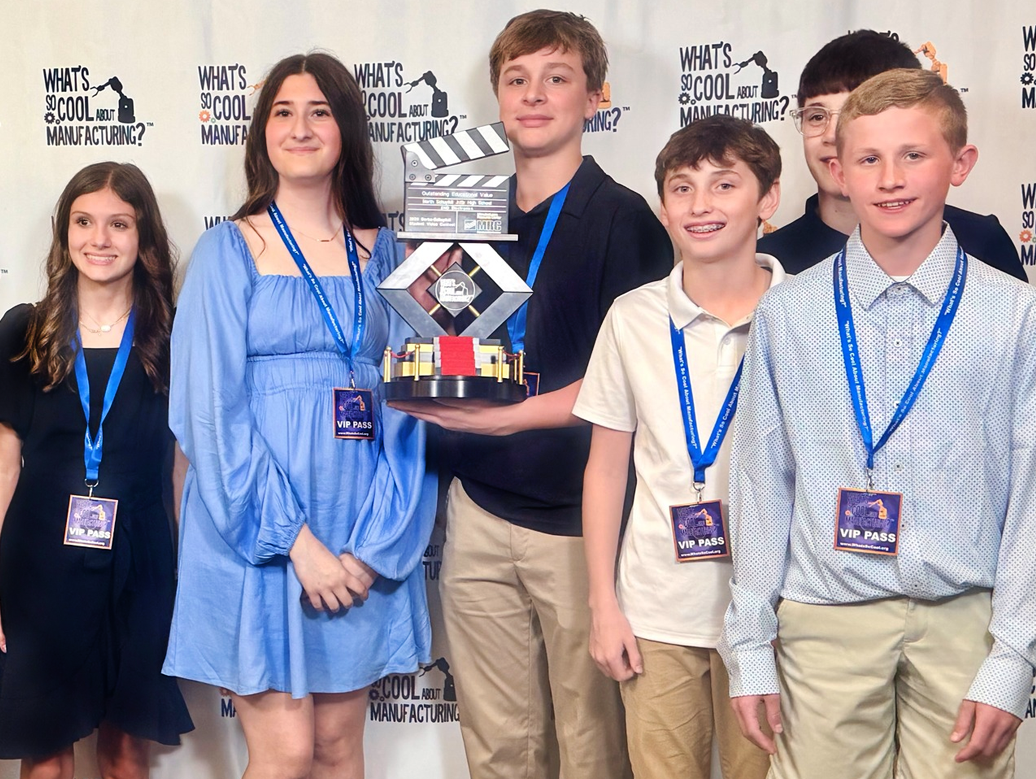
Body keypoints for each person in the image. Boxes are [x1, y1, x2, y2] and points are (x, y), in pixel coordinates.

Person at [722, 69, 1036, 779]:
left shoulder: (1017, 314)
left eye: (914, 155)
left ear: (960, 165)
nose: (889, 178)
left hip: (965, 622)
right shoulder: (789, 312)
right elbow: (763, 481)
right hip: (826, 621)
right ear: (838, 169)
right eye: (869, 158)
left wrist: (1011, 656)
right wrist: (752, 642)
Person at [391, 11, 670, 778]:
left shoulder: (627, 219)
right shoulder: (464, 210)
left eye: (557, 77)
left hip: (583, 523)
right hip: (478, 507)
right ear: (498, 96)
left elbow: (633, 382)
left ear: (595, 96)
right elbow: (439, 337)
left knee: (592, 743)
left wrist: (509, 416)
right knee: (499, 746)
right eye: (517, 79)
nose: (534, 95)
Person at [166, 52, 437, 779]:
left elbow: (413, 408)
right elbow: (209, 415)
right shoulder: (228, 251)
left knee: (338, 750)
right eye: (283, 112)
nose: (301, 126)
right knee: (283, 755)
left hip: (359, 535)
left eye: (320, 110)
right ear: (261, 136)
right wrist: (297, 543)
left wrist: (371, 547)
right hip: (258, 534)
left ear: (346, 128)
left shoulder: (393, 256)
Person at [0, 162, 193, 777]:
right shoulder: (27, 331)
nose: (100, 239)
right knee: (45, 751)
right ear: (64, 233)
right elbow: (3, 469)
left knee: (126, 753)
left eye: (119, 224)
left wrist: (184, 569)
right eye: (84, 222)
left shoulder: (173, 336)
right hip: (39, 563)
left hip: (142, 561)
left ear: (144, 238)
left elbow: (179, 470)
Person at [575, 115, 781, 779]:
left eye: (725, 185)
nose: (701, 205)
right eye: (682, 188)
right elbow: (606, 469)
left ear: (767, 200)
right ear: (662, 205)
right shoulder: (632, 318)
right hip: (656, 610)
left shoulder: (807, 313)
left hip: (778, 614)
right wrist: (603, 604)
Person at [759, 30, 1028, 281]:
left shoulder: (980, 239)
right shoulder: (766, 259)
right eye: (817, 116)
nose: (832, 134)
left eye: (855, 116)